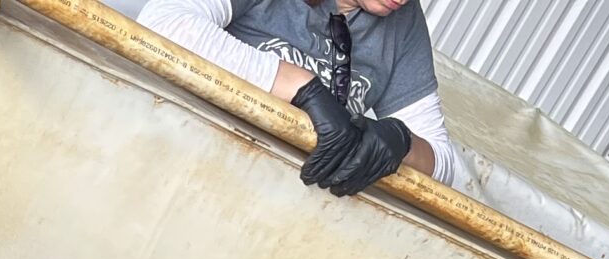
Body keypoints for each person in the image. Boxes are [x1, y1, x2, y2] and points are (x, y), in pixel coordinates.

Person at [139, 0, 462, 196]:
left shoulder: (403, 24)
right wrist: (302, 88)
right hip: (175, 162)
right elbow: (165, 24)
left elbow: (447, 167)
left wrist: (401, 142)